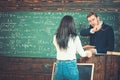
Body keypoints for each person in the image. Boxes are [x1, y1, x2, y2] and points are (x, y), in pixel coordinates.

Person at [53, 15, 93, 80]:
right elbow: (82, 54)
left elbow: (63, 50)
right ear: (71, 25)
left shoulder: (55, 37)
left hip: (59, 66)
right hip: (70, 66)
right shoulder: (75, 37)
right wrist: (88, 52)